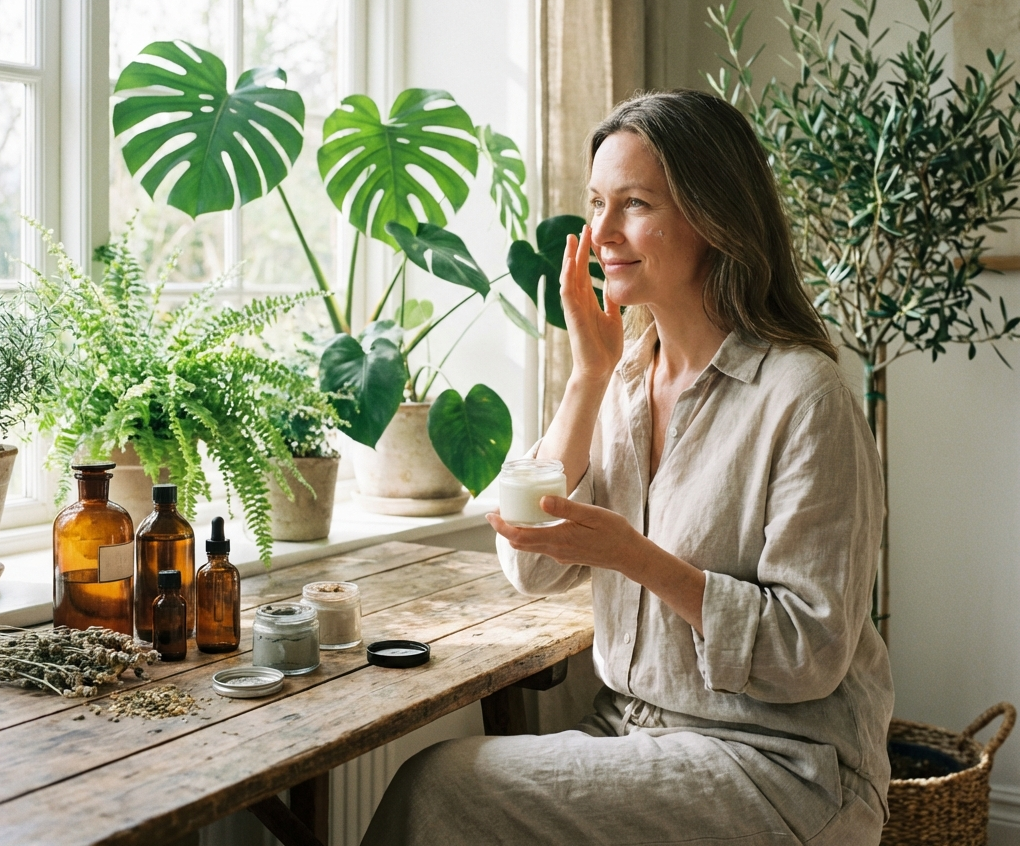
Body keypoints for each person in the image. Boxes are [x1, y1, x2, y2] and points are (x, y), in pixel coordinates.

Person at [361, 90, 894, 846]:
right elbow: (530, 567)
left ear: (715, 218)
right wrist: (586, 376)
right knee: (451, 788)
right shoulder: (621, 384)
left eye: (634, 204)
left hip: (781, 764)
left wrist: (637, 559)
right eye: (596, 204)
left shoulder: (804, 396)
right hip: (636, 731)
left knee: (443, 786)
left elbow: (808, 656)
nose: (601, 233)